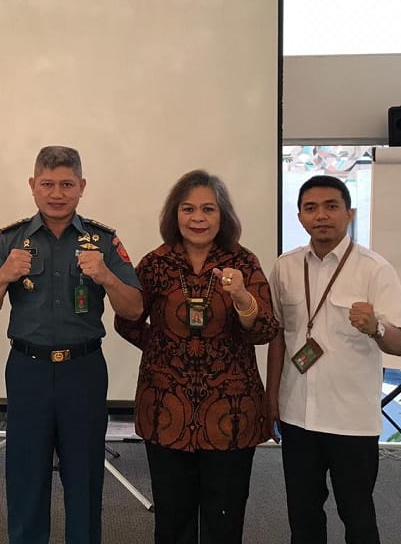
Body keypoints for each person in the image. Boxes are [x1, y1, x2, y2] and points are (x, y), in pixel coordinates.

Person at [0, 145, 142, 544]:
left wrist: (107, 277)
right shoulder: (11, 239)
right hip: (28, 369)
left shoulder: (103, 240)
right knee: (26, 474)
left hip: (83, 370)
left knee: (84, 475)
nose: (57, 193)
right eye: (47, 184)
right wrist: (3, 276)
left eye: (67, 184)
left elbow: (134, 309)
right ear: (33, 185)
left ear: (82, 186)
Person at [114, 169, 278, 543]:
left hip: (230, 416)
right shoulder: (155, 263)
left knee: (224, 521)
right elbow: (127, 321)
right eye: (188, 209)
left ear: (223, 216)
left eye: (208, 209)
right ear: (175, 214)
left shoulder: (243, 262)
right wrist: (166, 349)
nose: (198, 218)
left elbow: (266, 330)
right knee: (173, 523)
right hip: (166, 411)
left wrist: (242, 299)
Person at [266, 175, 401, 544]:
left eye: (331, 206)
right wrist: (271, 398)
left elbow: (399, 345)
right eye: (311, 208)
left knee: (358, 517)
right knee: (303, 518)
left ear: (349, 214)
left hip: (351, 420)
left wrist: (376, 327)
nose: (321, 215)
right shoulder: (285, 267)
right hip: (298, 415)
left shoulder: (374, 269)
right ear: (300, 217)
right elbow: (278, 336)